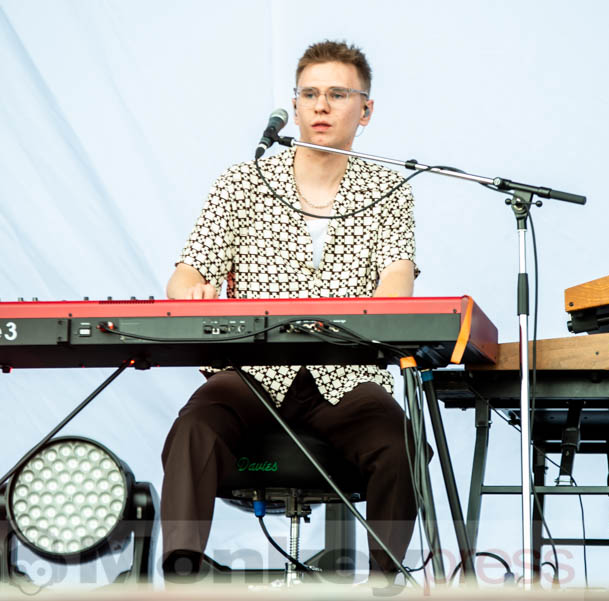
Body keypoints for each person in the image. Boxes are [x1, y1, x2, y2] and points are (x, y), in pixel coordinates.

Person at [161, 40, 420, 581]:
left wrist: (384, 300)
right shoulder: (243, 182)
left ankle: (384, 580)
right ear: (295, 106)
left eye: (337, 94)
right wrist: (193, 292)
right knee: (196, 424)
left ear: (365, 110)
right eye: (310, 94)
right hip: (254, 373)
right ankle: (182, 570)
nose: (321, 106)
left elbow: (397, 280)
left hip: (345, 375)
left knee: (397, 440)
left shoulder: (390, 188)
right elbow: (186, 275)